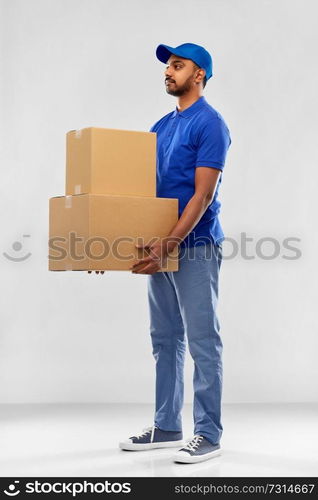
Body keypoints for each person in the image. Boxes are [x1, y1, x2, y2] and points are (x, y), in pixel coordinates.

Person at [118, 43, 232, 464]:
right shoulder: (161, 125)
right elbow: (139, 194)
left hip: (195, 245)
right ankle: (167, 425)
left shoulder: (210, 124)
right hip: (159, 246)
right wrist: (105, 248)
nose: (169, 72)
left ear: (199, 74)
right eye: (168, 66)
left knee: (203, 341)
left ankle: (209, 434)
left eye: (178, 66)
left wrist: (172, 241)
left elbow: (203, 195)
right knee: (165, 339)